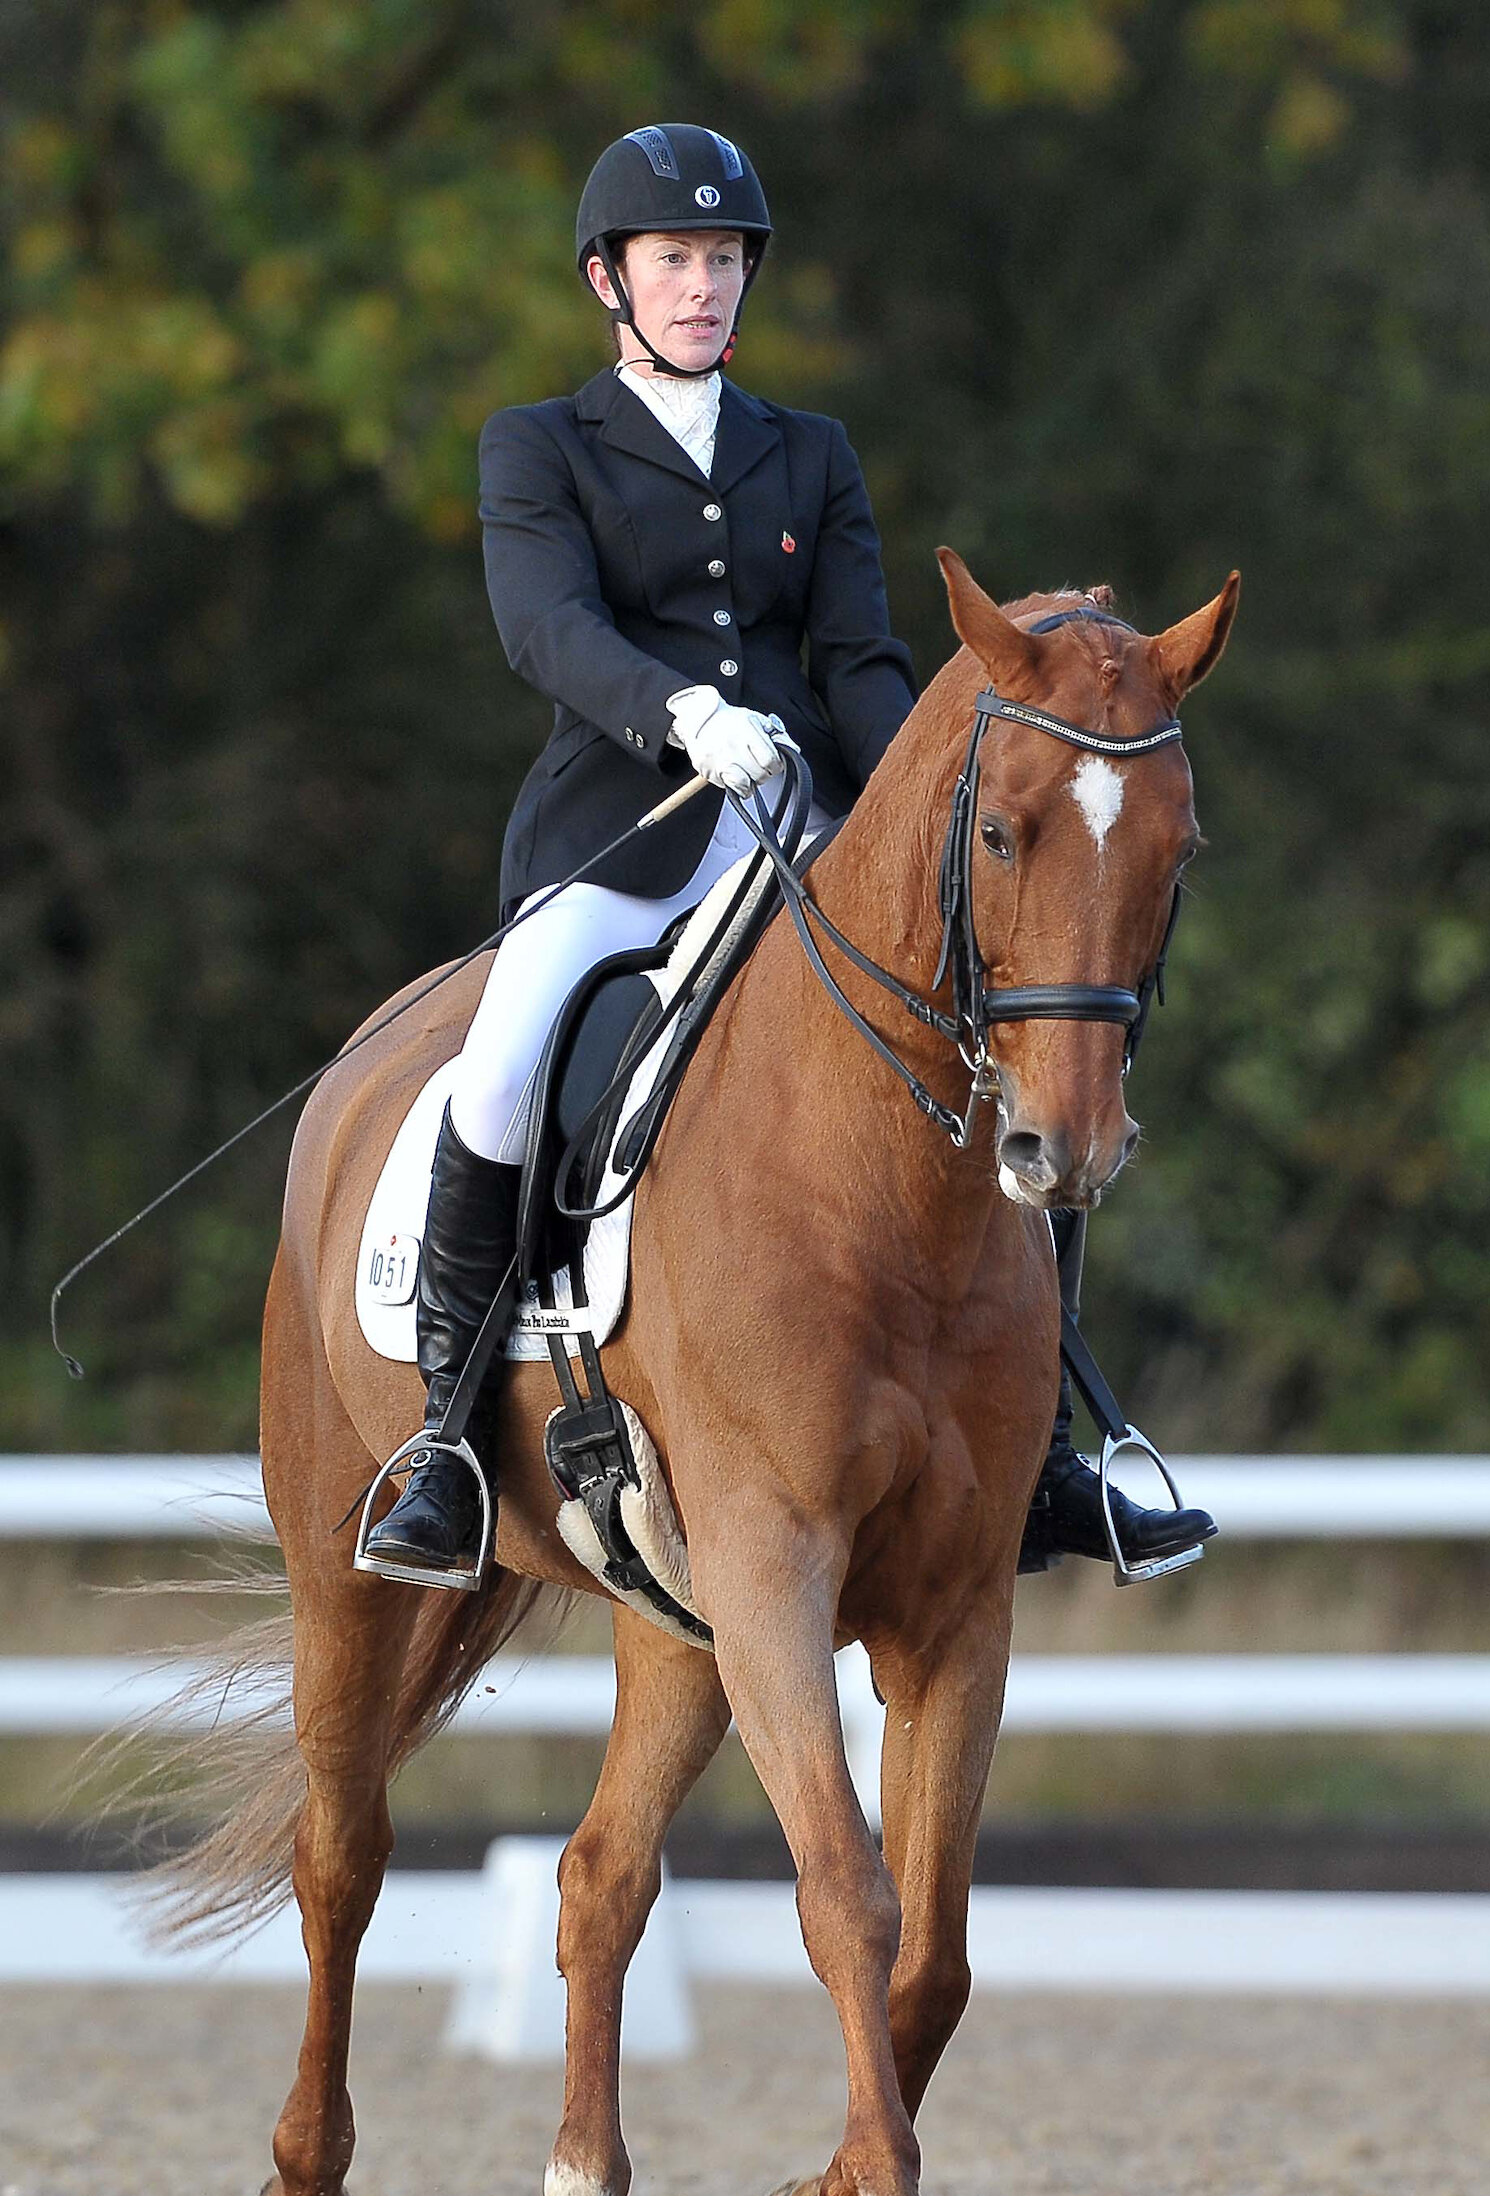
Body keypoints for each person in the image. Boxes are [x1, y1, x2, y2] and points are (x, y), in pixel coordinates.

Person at [361, 122, 1213, 1587]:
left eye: (723, 261)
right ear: (608, 281)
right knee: (500, 1062)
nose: (703, 286)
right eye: (674, 259)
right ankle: (442, 1438)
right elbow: (544, 629)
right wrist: (682, 711)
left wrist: (909, 799)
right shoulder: (538, 446)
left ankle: (1051, 1458)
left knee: (1006, 1062)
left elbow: (860, 657)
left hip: (806, 838)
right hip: (618, 842)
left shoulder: (803, 453)